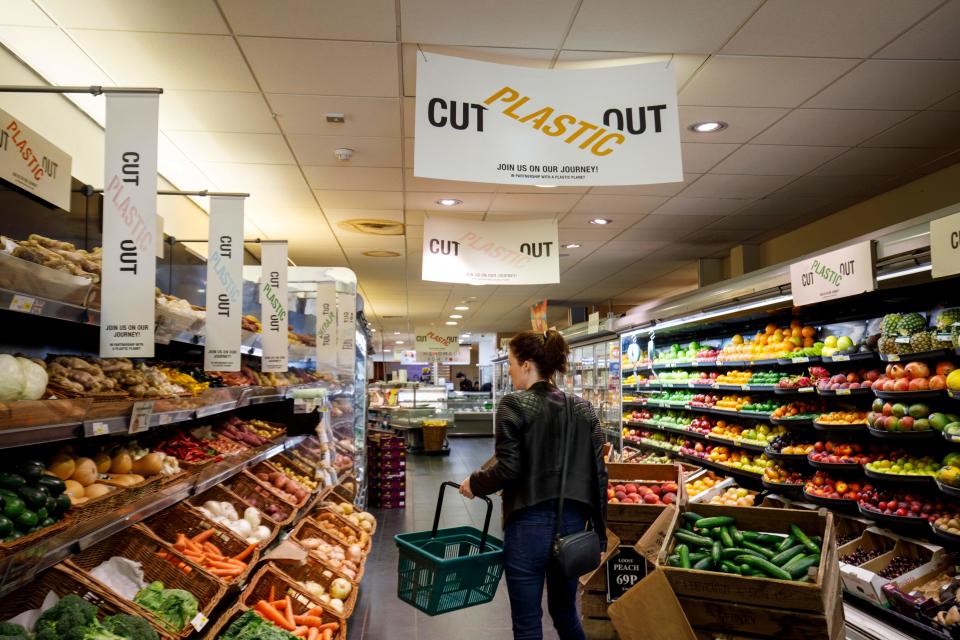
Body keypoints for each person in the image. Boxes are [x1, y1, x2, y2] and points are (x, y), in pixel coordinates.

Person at [459, 329, 607, 640]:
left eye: (512, 362)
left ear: (527, 365)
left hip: (528, 523)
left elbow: (509, 467)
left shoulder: (513, 404)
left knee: (527, 622)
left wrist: (475, 483)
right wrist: (601, 532)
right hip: (573, 523)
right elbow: (598, 474)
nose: (509, 369)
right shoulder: (583, 408)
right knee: (566, 614)